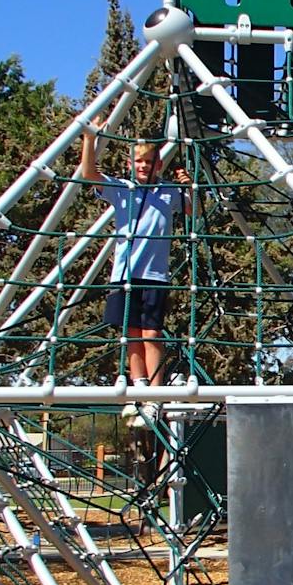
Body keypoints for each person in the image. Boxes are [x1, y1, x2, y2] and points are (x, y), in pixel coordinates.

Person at [77, 129, 193, 399]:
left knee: (151, 333)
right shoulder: (122, 188)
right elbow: (88, 174)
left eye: (149, 161)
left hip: (155, 275)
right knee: (132, 334)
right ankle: (138, 384)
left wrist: (189, 186)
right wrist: (89, 139)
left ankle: (156, 390)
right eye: (138, 162)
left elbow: (191, 208)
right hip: (125, 274)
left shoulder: (167, 191)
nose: (143, 166)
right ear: (130, 165)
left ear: (158, 164)